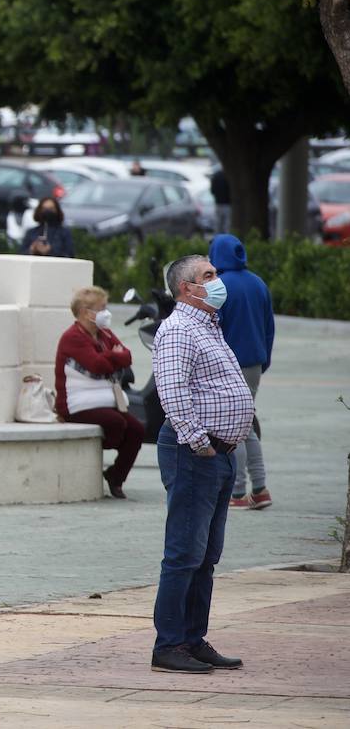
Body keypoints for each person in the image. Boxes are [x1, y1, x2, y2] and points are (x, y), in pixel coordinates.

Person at [150, 253, 254, 673]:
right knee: (184, 553)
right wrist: (199, 443)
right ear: (186, 289)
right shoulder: (178, 330)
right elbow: (172, 393)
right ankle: (169, 644)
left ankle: (193, 639)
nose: (217, 281)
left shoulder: (208, 326)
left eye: (214, 273)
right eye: (207, 276)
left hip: (219, 454)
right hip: (195, 452)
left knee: (206, 554)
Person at [53, 286, 145, 498]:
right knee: (116, 423)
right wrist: (114, 357)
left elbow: (127, 356)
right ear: (86, 312)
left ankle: (115, 477)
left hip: (104, 400)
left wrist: (112, 357)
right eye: (102, 308)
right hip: (76, 404)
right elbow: (96, 365)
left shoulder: (104, 333)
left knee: (136, 430)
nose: (106, 312)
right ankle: (100, 451)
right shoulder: (72, 337)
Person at [208, 234, 275, 511]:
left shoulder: (219, 286)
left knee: (235, 429)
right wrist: (264, 360)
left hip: (228, 366)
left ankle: (237, 492)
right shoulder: (258, 283)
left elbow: (211, 327)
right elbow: (269, 327)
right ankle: (259, 489)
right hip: (254, 365)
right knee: (246, 426)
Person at [210, 167, 231, 234]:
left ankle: (218, 239)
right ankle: (226, 239)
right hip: (228, 204)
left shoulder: (216, 176)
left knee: (218, 224)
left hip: (218, 203)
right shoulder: (229, 176)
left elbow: (212, 190)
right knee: (226, 225)